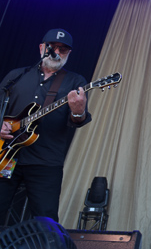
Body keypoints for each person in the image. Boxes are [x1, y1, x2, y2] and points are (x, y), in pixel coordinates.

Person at [0, 29, 91, 223]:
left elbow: (78, 120)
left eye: (62, 49)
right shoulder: (17, 76)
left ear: (69, 54)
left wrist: (78, 111)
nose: (56, 52)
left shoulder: (75, 81)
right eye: (52, 47)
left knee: (45, 220)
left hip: (45, 161)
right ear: (41, 48)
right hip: (6, 155)